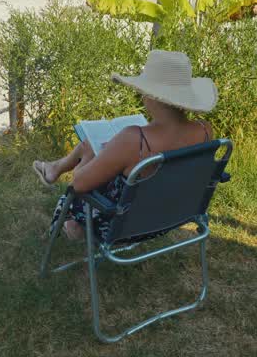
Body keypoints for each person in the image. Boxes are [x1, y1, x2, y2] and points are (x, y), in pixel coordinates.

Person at [33, 50, 217, 241]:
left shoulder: (134, 139)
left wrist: (89, 156)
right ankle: (55, 169)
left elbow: (77, 185)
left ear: (150, 96)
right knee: (97, 150)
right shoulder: (204, 130)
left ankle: (76, 223)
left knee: (89, 150)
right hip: (169, 219)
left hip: (122, 227)